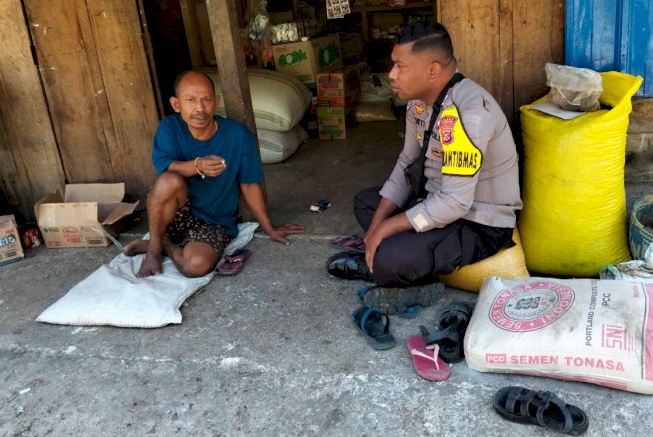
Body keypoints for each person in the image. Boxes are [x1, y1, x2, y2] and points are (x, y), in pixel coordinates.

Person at [327, 22, 522, 309]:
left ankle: (405, 275)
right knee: (367, 203)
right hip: (435, 198)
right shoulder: (419, 103)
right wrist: (378, 225)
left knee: (391, 257)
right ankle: (386, 255)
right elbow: (407, 161)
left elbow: (455, 203)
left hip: (477, 221)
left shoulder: (470, 115)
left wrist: (384, 230)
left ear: (432, 70)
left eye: (401, 67)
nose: (391, 75)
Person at [124, 71, 304, 278]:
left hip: (215, 221)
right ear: (176, 104)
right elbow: (166, 167)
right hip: (177, 215)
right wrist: (198, 165)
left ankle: (166, 244)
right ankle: (153, 251)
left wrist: (270, 228)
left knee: (196, 266)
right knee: (167, 181)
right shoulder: (170, 127)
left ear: (215, 102)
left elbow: (249, 184)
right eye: (190, 100)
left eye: (206, 100)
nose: (200, 108)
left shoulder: (237, 135)